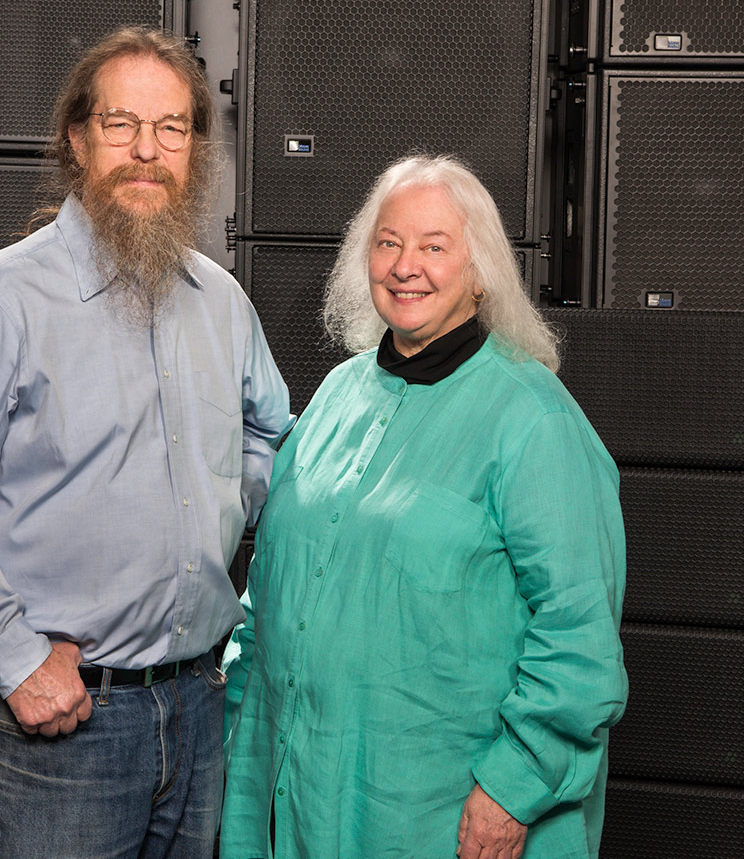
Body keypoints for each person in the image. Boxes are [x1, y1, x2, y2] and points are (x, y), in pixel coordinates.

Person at [0, 26, 291, 859]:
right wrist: (19, 660)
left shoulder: (220, 302)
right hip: (61, 726)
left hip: (198, 709)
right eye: (121, 125)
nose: (148, 151)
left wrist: (221, 499)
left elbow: (268, 432)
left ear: (196, 150)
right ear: (77, 140)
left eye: (172, 128)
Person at [221, 155, 627, 859]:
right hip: (297, 799)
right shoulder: (335, 396)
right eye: (389, 243)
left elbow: (580, 637)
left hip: (446, 817)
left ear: (479, 273)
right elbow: (269, 598)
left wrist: (512, 789)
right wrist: (236, 744)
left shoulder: (534, 420)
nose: (407, 265)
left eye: (435, 247)